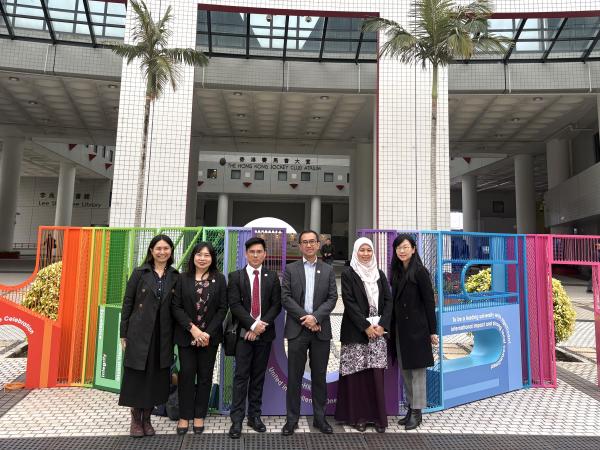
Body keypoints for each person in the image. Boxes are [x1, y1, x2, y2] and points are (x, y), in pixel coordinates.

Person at [119, 234, 179, 438]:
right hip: (139, 332)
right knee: (137, 376)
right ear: (151, 251)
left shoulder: (175, 275)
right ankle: (136, 419)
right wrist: (123, 333)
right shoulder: (140, 273)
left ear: (171, 251)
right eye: (158, 248)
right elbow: (128, 302)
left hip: (163, 334)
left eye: (166, 248)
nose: (162, 252)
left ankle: (148, 418)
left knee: (156, 377)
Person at [280, 229, 338, 436]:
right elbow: (285, 297)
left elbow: (332, 298)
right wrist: (306, 318)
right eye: (305, 242)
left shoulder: (328, 269)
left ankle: (320, 419)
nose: (309, 245)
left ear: (318, 244)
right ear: (300, 245)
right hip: (297, 329)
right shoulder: (291, 269)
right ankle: (291, 420)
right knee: (294, 377)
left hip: (320, 330)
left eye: (312, 241)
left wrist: (316, 318)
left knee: (319, 376)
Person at [335, 237, 392, 433]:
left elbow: (389, 301)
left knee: (375, 375)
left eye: (369, 250)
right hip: (356, 332)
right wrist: (365, 326)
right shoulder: (349, 274)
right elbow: (349, 302)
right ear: (355, 252)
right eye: (362, 250)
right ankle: (357, 417)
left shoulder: (380, 274)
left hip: (379, 333)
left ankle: (377, 418)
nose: (366, 254)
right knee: (357, 376)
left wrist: (382, 325)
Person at [227, 237, 282, 439]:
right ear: (246, 254)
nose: (256, 255)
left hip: (264, 335)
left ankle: (254, 416)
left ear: (265, 254)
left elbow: (276, 305)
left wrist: (260, 326)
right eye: (252, 252)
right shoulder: (235, 277)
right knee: (241, 377)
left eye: (259, 251)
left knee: (258, 377)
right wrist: (251, 324)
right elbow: (234, 305)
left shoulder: (272, 277)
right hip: (243, 335)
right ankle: (237, 420)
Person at [171, 242, 228, 435]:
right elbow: (176, 307)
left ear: (212, 258)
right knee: (186, 374)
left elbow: (222, 309)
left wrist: (207, 334)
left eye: (207, 255)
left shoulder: (219, 279)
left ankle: (198, 415)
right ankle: (184, 416)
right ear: (193, 257)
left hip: (209, 339)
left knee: (205, 376)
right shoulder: (181, 279)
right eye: (199, 254)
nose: (202, 258)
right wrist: (193, 330)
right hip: (186, 336)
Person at [390, 234, 438, 430]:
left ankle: (417, 412)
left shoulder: (420, 272)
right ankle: (411, 407)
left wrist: (432, 331)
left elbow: (429, 302)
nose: (401, 251)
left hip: (418, 330)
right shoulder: (397, 272)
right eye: (398, 248)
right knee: (405, 370)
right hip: (400, 330)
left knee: (417, 372)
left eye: (405, 247)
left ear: (413, 249)